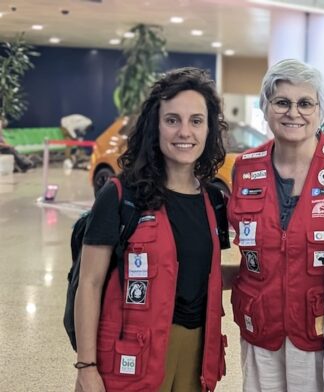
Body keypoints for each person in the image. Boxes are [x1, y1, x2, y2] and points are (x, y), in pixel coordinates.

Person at [74, 67, 229, 392]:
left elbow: (205, 271)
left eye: (196, 121)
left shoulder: (213, 199)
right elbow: (89, 283)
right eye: (172, 120)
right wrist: (87, 368)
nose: (184, 131)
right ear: (154, 127)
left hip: (196, 351)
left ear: (209, 128)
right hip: (132, 352)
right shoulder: (122, 195)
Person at [226, 59, 324, 391]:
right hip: (260, 327)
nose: (293, 112)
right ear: (265, 109)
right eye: (282, 102)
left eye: (305, 103)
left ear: (321, 111)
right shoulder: (244, 168)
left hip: (323, 332)